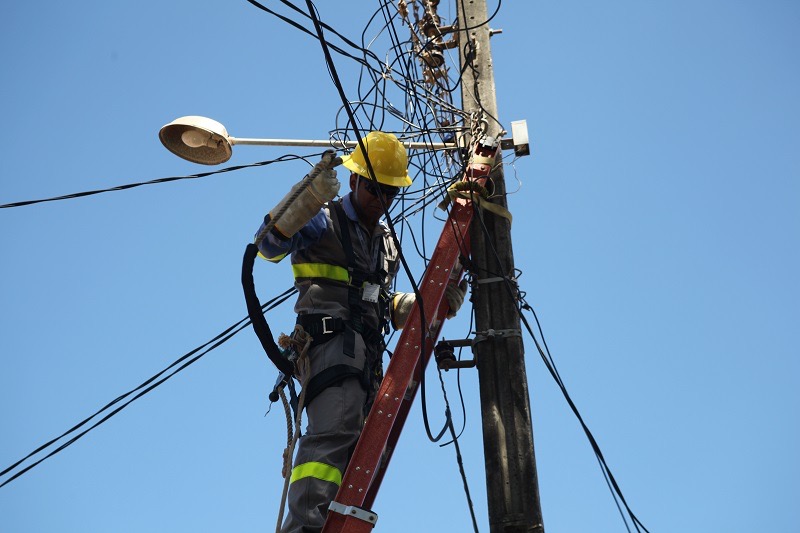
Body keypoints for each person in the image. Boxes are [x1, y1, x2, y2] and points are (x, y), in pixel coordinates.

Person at [255, 131, 467, 533]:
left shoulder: (384, 242)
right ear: (353, 180)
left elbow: (376, 301)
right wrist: (304, 199)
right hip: (329, 346)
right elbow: (267, 246)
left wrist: (425, 304)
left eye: (390, 192)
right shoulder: (322, 218)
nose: (381, 200)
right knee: (333, 437)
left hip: (366, 358)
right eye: (374, 189)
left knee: (354, 452)